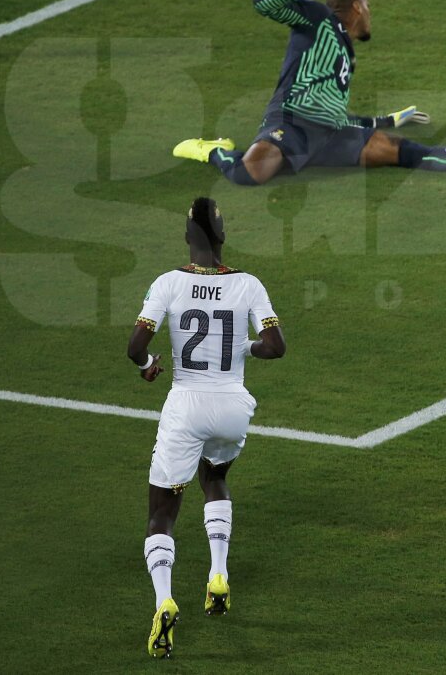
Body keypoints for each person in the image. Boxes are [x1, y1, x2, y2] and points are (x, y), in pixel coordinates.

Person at [173, 0, 446, 182]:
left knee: (406, 152)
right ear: (358, 9)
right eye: (369, 7)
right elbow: (263, 3)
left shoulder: (346, 52)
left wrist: (386, 121)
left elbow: (333, 113)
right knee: (250, 173)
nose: (371, 16)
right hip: (291, 124)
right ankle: (212, 149)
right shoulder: (317, 18)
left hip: (330, 137)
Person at [127, 197, 286, 658]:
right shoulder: (248, 283)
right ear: (222, 237)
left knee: (162, 514)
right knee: (214, 477)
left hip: (186, 403)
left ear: (186, 237)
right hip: (233, 404)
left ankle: (164, 601)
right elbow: (275, 346)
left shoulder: (168, 282)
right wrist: (243, 350)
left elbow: (136, 345)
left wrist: (148, 365)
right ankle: (219, 575)